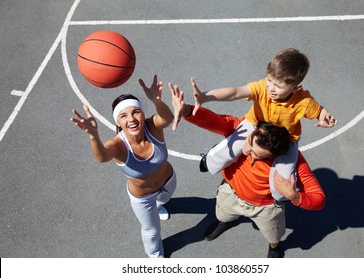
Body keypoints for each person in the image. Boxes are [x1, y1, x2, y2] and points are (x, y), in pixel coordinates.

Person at [170, 83, 326, 258]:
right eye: (250, 143)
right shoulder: (244, 130)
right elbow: (215, 121)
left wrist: (294, 196)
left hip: (265, 209)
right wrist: (187, 111)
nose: (246, 151)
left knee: (273, 234)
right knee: (223, 214)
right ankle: (225, 222)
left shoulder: (295, 162)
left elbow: (319, 200)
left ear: (275, 156)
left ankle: (274, 246)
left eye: (255, 154)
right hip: (231, 193)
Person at [189, 48, 337, 207]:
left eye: (278, 86)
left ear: (296, 88)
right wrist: (205, 97)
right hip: (255, 124)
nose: (272, 88)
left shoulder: (304, 101)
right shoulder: (262, 88)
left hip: (287, 140)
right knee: (227, 153)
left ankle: (279, 199)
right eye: (270, 81)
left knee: (281, 184)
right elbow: (235, 92)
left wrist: (325, 118)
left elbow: (320, 111)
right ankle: (209, 159)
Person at [71, 75, 176, 258]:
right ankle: (155, 256)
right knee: (151, 230)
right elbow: (102, 157)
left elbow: (168, 118)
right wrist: (93, 135)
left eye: (135, 112)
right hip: (143, 197)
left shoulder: (153, 127)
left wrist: (156, 101)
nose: (131, 119)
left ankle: (159, 205)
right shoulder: (119, 145)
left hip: (168, 181)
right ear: (118, 122)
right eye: (123, 116)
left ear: (143, 113)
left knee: (164, 200)